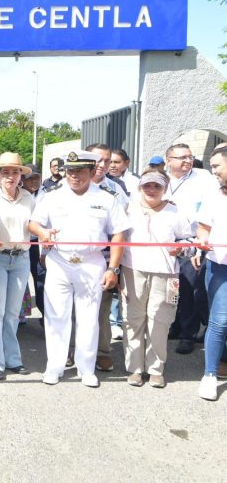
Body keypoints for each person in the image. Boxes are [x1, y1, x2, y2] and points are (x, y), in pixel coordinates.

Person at [29, 151, 130, 387]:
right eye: (70, 171)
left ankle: (86, 368)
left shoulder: (107, 198)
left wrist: (112, 268)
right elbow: (34, 223)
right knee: (56, 317)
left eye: (80, 171)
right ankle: (54, 366)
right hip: (60, 261)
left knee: (88, 318)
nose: (74, 176)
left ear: (92, 171)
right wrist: (43, 233)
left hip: (91, 262)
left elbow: (118, 234)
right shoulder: (51, 196)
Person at [120, 169, 192, 388]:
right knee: (133, 319)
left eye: (157, 186)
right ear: (140, 187)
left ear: (165, 188)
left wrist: (181, 248)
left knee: (159, 320)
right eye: (147, 186)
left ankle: (156, 368)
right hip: (132, 270)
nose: (151, 190)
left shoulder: (175, 212)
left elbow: (190, 241)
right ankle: (134, 368)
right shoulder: (128, 209)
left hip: (166, 273)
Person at [0, 153, 35, 380]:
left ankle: (13, 360)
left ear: (21, 175)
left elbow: (35, 227)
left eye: (15, 172)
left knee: (13, 313)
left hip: (21, 259)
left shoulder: (28, 198)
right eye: (5, 172)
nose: (10, 176)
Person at [163, 143, 217, 355]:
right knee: (171, 288)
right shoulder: (161, 180)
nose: (187, 161)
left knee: (191, 290)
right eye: (181, 157)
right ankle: (175, 326)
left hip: (192, 241)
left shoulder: (203, 178)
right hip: (166, 242)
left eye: (190, 157)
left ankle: (189, 334)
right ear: (169, 160)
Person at [87, 143, 128, 373]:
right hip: (69, 258)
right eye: (98, 160)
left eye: (107, 160)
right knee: (70, 309)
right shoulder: (67, 185)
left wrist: (115, 265)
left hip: (104, 258)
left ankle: (102, 351)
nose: (103, 165)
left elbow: (122, 229)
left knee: (101, 309)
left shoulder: (115, 189)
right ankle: (73, 349)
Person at [195, 146, 227, 401]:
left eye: (217, 165)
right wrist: (202, 241)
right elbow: (203, 227)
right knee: (220, 321)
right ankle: (210, 375)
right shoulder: (213, 195)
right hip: (219, 267)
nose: (213, 170)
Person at [22, 165, 46, 317]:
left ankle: (46, 317)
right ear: (22, 179)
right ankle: (20, 316)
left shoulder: (49, 195)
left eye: (36, 177)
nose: (33, 181)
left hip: (39, 245)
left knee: (41, 282)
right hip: (20, 245)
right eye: (29, 178)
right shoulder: (17, 194)